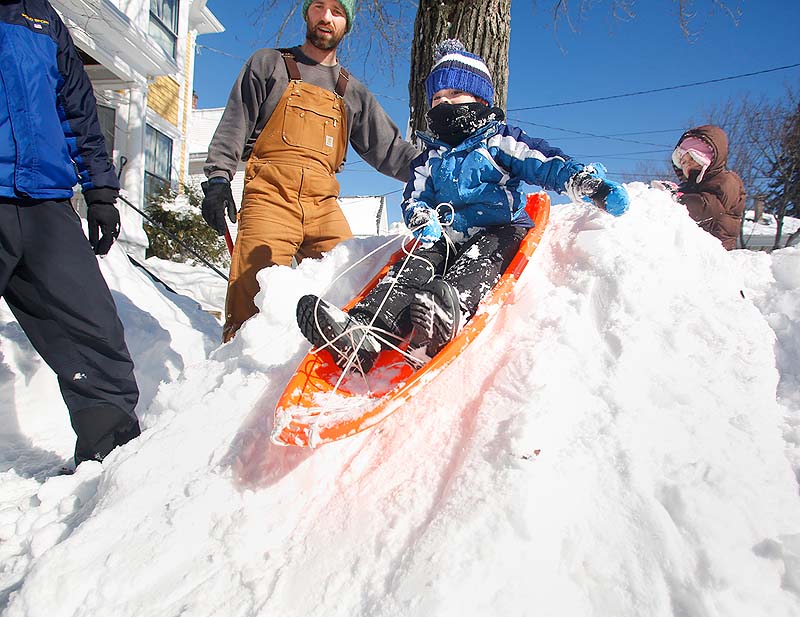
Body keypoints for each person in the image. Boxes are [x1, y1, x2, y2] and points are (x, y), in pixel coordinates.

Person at [296, 39, 630, 373]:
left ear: (480, 99)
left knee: (481, 259)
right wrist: (420, 216)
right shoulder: (430, 157)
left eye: (454, 95)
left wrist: (584, 181)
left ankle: (444, 315)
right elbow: (414, 197)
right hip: (445, 234)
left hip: (498, 228)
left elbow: (544, 162)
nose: (444, 104)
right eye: (437, 99)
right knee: (412, 268)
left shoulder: (500, 140)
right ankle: (364, 333)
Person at [202, 0, 418, 342]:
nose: (326, 17)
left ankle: (336, 368)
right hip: (270, 199)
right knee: (253, 294)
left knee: (355, 282)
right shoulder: (269, 64)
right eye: (319, 6)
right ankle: (237, 379)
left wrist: (437, 169)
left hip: (323, 205)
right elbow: (234, 125)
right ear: (307, 12)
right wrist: (217, 179)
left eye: (337, 11)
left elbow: (391, 151)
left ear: (347, 23)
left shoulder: (352, 91)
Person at [0, 0, 140, 465]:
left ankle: (110, 461)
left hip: (46, 203)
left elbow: (77, 111)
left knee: (93, 329)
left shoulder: (43, 19)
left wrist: (100, 188)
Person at [652, 124, 745, 250]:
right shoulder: (690, 187)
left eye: (692, 158)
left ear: (708, 157)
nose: (687, 164)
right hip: (694, 247)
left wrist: (675, 198)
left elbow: (708, 206)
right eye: (683, 162)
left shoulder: (726, 180)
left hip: (719, 248)